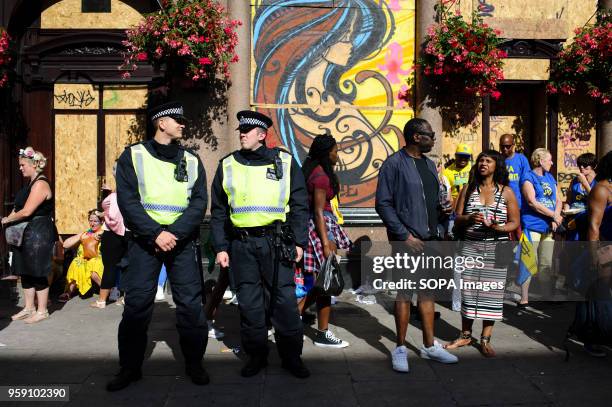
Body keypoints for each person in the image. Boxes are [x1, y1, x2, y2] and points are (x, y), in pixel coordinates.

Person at [106, 101, 209, 391]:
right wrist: (155, 233)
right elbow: (128, 201)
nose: (183, 125)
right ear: (160, 123)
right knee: (137, 306)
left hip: (181, 242)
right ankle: (129, 368)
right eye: (177, 120)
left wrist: (173, 233)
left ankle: (194, 363)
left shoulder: (191, 159)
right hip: (144, 243)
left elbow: (199, 201)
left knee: (190, 306)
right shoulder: (133, 156)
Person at [210, 110, 310, 378]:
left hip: (276, 243)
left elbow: (301, 205)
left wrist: (300, 242)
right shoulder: (228, 164)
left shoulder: (285, 162)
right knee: (250, 304)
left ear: (262, 135)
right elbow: (218, 211)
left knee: (284, 303)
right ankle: (256, 356)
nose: (241, 133)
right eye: (240, 130)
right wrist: (220, 247)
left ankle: (292, 358)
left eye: (248, 130)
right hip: (241, 245)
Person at [375, 118, 458, 373]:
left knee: (427, 292)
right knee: (404, 294)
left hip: (431, 239)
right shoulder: (394, 164)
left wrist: (446, 211)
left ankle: (429, 345)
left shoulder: (430, 165)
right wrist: (403, 235)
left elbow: (434, 200)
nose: (434, 139)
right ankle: (400, 348)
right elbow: (383, 204)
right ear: (416, 137)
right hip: (407, 242)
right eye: (430, 134)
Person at [445, 150, 520, 357]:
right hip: (471, 247)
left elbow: (515, 222)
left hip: (497, 250)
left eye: (488, 161)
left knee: (492, 294)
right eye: (480, 161)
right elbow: (457, 217)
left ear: (497, 166)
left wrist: (499, 227)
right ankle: (465, 335)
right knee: (468, 292)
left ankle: (485, 339)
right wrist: (469, 218)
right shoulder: (468, 189)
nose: (483, 164)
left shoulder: (506, 192)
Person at [299, 134, 352, 348]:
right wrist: (325, 244)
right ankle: (321, 332)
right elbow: (319, 212)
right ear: (326, 152)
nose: (337, 155)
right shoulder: (320, 176)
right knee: (326, 283)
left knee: (322, 282)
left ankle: (296, 320)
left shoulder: (312, 170)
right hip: (322, 228)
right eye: (335, 151)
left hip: (320, 227)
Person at [2, 147, 54, 324]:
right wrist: (9, 218)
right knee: (25, 270)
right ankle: (29, 307)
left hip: (39, 232)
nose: (20, 168)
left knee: (37, 270)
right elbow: (19, 208)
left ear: (33, 165)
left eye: (22, 165)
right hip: (27, 232)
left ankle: (42, 310)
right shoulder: (30, 184)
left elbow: (27, 211)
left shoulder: (40, 184)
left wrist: (6, 220)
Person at [517, 148, 563, 307]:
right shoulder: (528, 177)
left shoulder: (550, 177)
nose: (552, 162)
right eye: (549, 159)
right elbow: (532, 202)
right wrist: (553, 216)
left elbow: (559, 200)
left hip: (549, 227)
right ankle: (524, 299)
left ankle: (546, 296)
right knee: (529, 261)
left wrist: (556, 216)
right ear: (540, 160)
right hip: (532, 225)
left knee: (546, 263)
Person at [583, 150, 612, 357]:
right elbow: (594, 227)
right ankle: (593, 339)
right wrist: (594, 257)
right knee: (600, 297)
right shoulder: (601, 190)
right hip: (605, 249)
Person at [93, 163, 128, 309]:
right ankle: (126, 298)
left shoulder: (115, 195)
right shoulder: (132, 190)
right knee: (127, 265)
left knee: (109, 267)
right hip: (130, 232)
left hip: (112, 233)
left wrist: (105, 214)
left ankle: (102, 300)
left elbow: (113, 215)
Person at [59, 210, 104, 302]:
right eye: (90, 221)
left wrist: (99, 235)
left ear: (102, 222)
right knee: (77, 263)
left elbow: (102, 235)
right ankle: (68, 292)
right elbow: (65, 245)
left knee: (94, 265)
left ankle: (106, 291)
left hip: (99, 259)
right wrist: (81, 236)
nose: (92, 223)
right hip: (84, 260)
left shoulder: (105, 232)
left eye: (95, 221)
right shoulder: (86, 233)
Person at [499, 134, 530, 212]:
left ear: (513, 145)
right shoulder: (497, 160)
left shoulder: (521, 159)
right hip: (500, 203)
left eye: (508, 146)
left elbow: (527, 182)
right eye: (502, 146)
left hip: (518, 202)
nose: (505, 149)